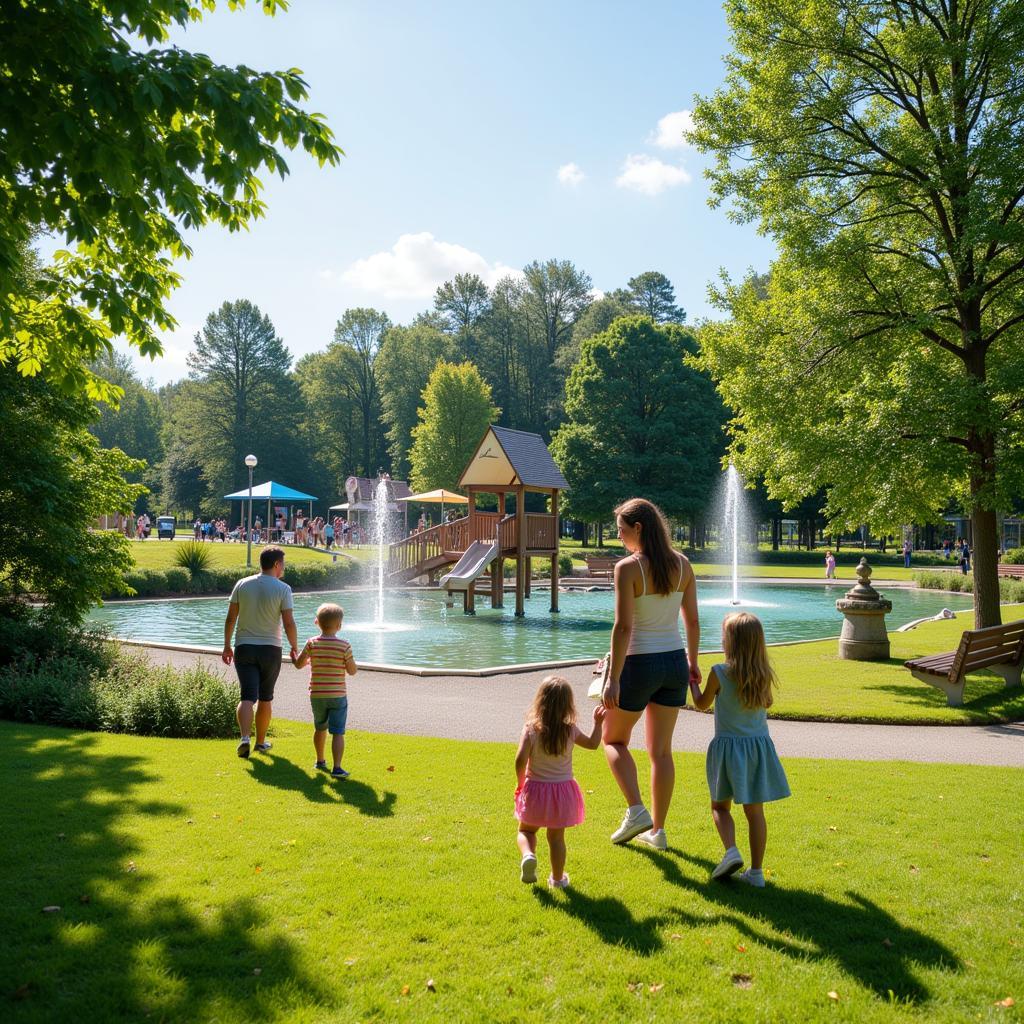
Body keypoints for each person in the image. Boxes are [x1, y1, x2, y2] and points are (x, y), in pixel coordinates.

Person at [600, 497, 700, 850]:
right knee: (661, 752)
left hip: (640, 664)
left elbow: (623, 628)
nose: (620, 538)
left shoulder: (628, 568)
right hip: (674, 662)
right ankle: (658, 832)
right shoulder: (684, 565)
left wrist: (612, 677)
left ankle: (636, 810)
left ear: (638, 528)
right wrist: (693, 661)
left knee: (612, 740)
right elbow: (692, 621)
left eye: (622, 531)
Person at [689, 612, 790, 887]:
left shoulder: (719, 673)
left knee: (720, 807)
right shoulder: (763, 675)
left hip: (727, 748)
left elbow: (701, 704)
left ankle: (731, 851)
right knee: (755, 812)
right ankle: (756, 874)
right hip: (757, 749)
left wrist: (692, 683)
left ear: (730, 643)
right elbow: (766, 703)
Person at [514, 675, 604, 888]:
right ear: (568, 705)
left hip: (535, 790)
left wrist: (520, 783)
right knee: (556, 839)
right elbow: (592, 744)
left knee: (526, 831)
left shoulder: (531, 729)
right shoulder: (569, 730)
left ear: (541, 701)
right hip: (562, 792)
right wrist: (598, 723)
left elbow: (520, 760)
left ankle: (528, 855)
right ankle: (557, 879)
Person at [221, 547, 298, 759]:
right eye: (283, 563)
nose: (283, 567)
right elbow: (288, 622)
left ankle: (245, 738)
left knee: (247, 696)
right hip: (271, 648)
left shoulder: (242, 584)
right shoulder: (283, 589)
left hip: (244, 646)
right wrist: (294, 646)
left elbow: (230, 618)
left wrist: (227, 645)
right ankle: (260, 742)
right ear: (276, 565)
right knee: (265, 698)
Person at [292, 602, 357, 778]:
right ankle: (337, 768)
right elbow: (352, 671)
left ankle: (320, 760)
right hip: (337, 695)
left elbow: (299, 664)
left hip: (317, 694)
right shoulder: (344, 646)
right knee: (337, 732)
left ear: (317, 623)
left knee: (320, 727)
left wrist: (301, 659)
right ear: (339, 625)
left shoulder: (311, 643)